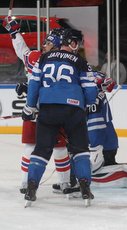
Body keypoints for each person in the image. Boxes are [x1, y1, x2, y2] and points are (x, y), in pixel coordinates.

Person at [21, 28, 98, 207]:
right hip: (73, 110)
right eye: (74, 43)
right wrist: (87, 103)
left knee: (41, 150)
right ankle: (85, 186)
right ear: (70, 43)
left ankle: (31, 187)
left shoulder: (43, 58)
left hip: (48, 110)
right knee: (80, 150)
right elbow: (91, 90)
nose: (76, 46)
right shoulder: (80, 61)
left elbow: (33, 85)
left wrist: (30, 106)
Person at [3, 17, 71, 194]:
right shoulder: (67, 61)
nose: (44, 45)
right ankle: (64, 183)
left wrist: (14, 32)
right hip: (56, 108)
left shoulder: (36, 58)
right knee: (59, 147)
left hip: (34, 109)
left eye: (48, 42)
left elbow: (22, 51)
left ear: (55, 45)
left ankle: (26, 183)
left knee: (33, 146)